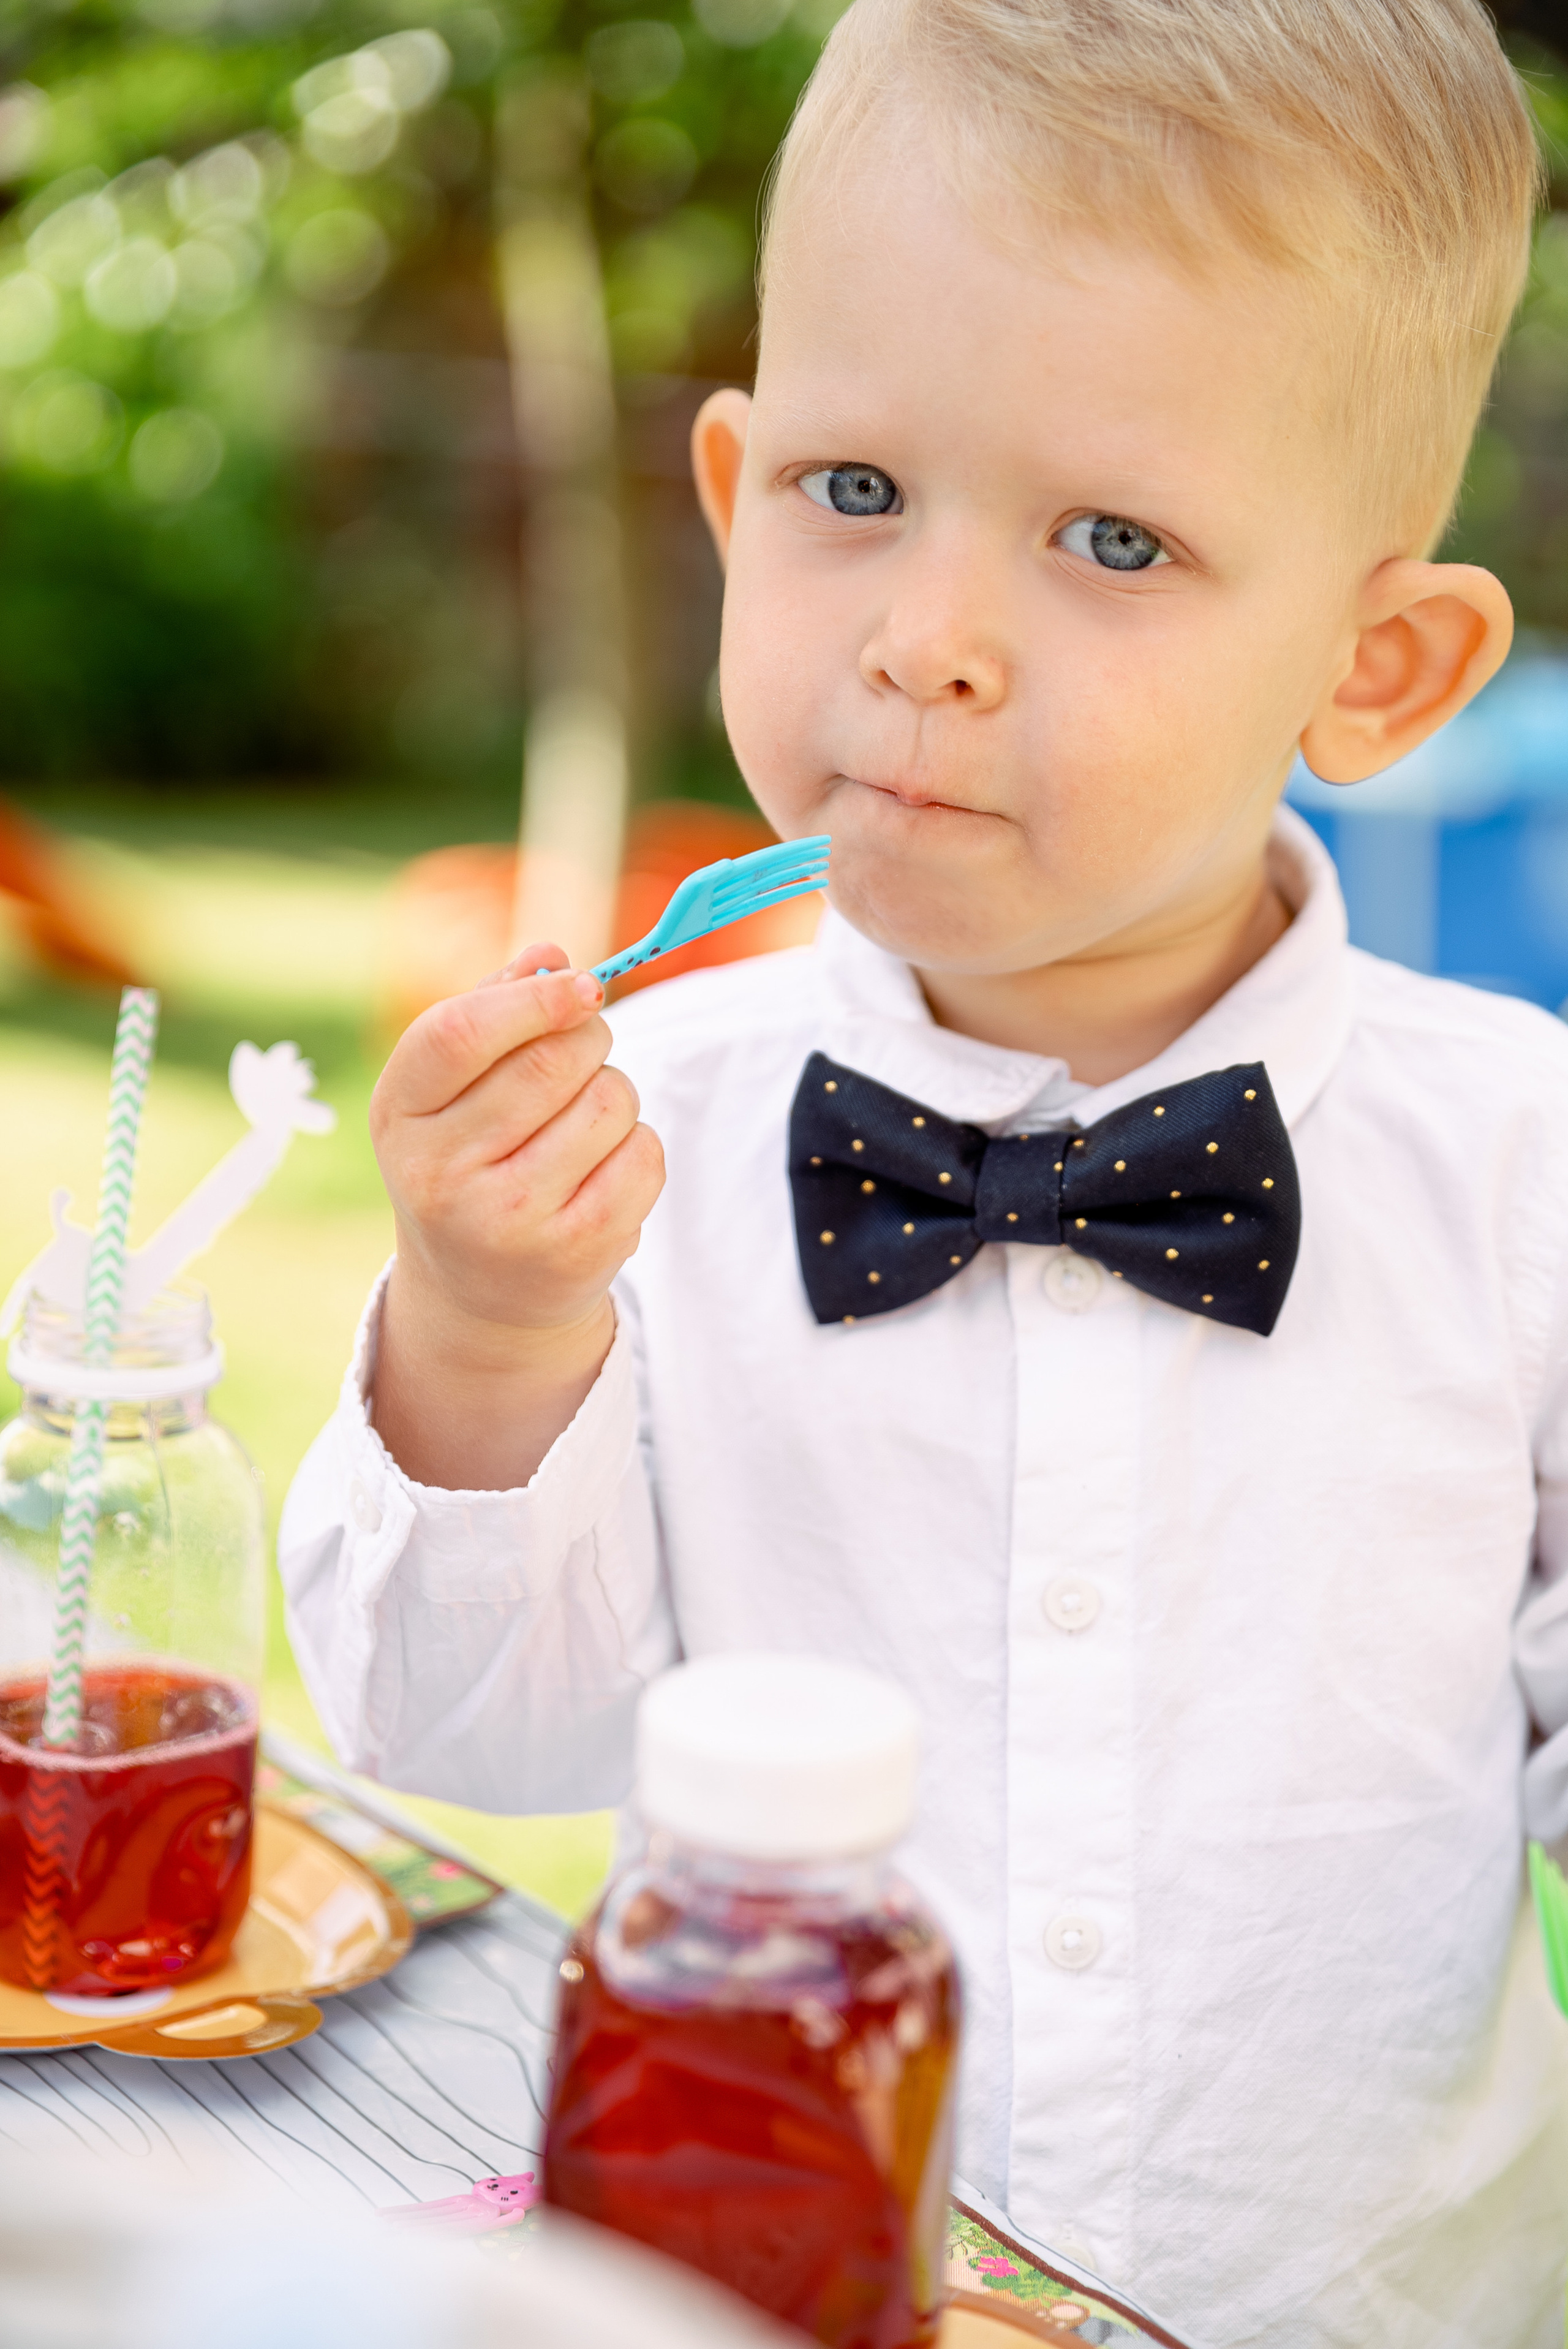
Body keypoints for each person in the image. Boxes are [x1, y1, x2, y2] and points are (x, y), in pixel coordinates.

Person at [280, 1, 1568, 2337]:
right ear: (734, 494)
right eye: (857, 498)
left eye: (1111, 538)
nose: (931, 642)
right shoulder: (646, 1128)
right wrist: (485, 1330)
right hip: (758, 2283)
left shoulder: (1524, 1177)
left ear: (1374, 666)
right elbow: (467, 1742)